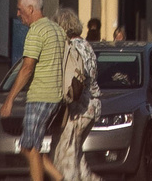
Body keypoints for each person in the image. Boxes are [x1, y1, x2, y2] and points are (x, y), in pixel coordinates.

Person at [0, 0, 64, 181]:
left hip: (41, 96)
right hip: (55, 96)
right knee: (30, 146)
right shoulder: (56, 29)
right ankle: (60, 178)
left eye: (20, 9)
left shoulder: (36, 31)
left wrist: (9, 100)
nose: (18, 14)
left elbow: (27, 68)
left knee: (30, 147)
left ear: (31, 9)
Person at [50, 10, 98, 181]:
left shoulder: (72, 47)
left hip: (77, 108)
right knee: (77, 156)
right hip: (91, 106)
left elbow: (69, 77)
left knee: (66, 157)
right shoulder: (86, 45)